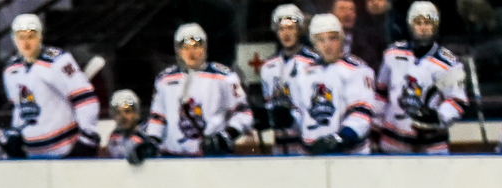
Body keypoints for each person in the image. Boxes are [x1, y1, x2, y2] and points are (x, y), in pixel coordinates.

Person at [142, 22, 254, 157]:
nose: (191, 52)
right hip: (173, 158)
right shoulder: (164, 80)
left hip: (213, 156)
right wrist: (151, 142)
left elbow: (244, 113)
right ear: (178, 49)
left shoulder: (224, 77)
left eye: (196, 46)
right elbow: (158, 118)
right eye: (185, 47)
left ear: (205, 47)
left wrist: (225, 137)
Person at [375, 1, 469, 154]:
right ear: (410, 25)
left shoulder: (449, 63)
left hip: (432, 146)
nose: (423, 28)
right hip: (393, 142)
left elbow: (457, 100)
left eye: (428, 23)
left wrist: (438, 116)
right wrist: (375, 127)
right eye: (418, 23)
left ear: (435, 26)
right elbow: (380, 95)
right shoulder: (392, 54)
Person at [2, 12, 99, 158]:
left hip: (64, 148)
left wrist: (87, 136)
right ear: (14, 39)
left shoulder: (59, 61)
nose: (26, 42)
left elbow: (85, 98)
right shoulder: (11, 70)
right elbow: (19, 106)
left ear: (40, 36)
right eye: (21, 37)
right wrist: (15, 132)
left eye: (31, 36)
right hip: (32, 153)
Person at [293, 13, 376, 155]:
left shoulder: (357, 69)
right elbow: (301, 113)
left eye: (332, 38)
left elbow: (362, 114)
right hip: (311, 154)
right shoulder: (304, 73)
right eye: (321, 40)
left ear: (342, 39)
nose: (327, 45)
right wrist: (287, 118)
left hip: (349, 155)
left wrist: (340, 138)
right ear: (314, 43)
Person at [260, 6, 319, 156]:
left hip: (307, 142)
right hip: (280, 144)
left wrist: (293, 118)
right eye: (281, 29)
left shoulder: (313, 62)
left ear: (299, 30)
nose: (286, 34)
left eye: (291, 28)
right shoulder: (268, 66)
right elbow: (269, 103)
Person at [106, 89, 150, 161]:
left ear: (136, 113)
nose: (123, 116)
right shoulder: (113, 138)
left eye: (127, 111)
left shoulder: (148, 135)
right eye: (118, 112)